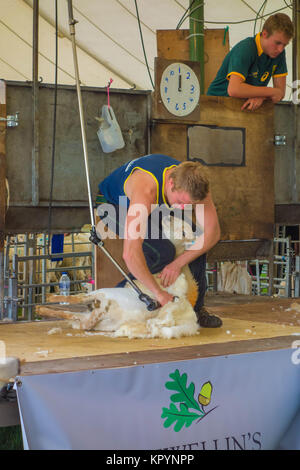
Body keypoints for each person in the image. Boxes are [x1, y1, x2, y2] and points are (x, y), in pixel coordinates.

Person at [96, 154, 222, 328]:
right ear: (170, 183)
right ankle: (109, 304)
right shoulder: (146, 189)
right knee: (161, 252)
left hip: (156, 207)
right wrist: (159, 293)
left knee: (194, 241)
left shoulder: (197, 187)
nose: (183, 209)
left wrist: (178, 263)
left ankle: (195, 310)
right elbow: (130, 253)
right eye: (180, 202)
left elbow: (212, 233)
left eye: (189, 205)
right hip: (113, 205)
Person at [207, 13, 294, 111]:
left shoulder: (279, 53)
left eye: (284, 45)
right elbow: (234, 90)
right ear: (264, 34)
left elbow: (280, 93)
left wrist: (262, 96)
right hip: (215, 106)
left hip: (239, 109)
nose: (280, 49)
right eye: (277, 43)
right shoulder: (246, 49)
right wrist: (270, 91)